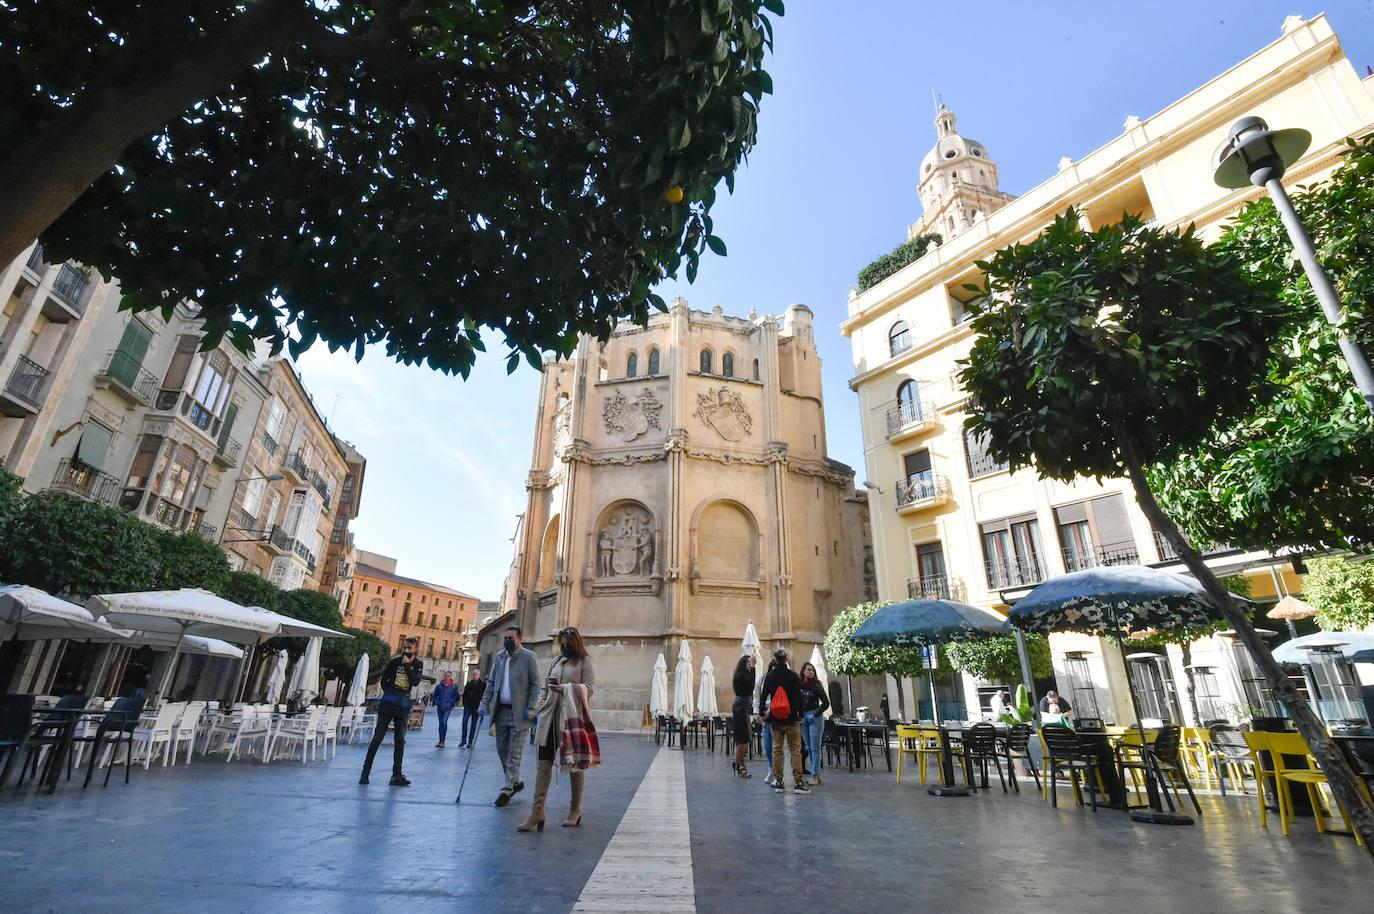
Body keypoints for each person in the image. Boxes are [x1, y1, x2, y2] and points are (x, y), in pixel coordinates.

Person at [519, 626, 597, 831]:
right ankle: (537, 811)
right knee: (543, 765)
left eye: (567, 644)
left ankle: (575, 809)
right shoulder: (556, 661)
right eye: (561, 644)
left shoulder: (585, 662)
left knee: (574, 765)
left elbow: (589, 689)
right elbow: (545, 687)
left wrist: (567, 689)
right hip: (549, 719)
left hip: (571, 720)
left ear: (575, 643)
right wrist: (540, 706)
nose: (563, 647)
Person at [479, 625, 540, 807]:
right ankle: (517, 781)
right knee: (502, 751)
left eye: (510, 638)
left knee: (515, 753)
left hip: (520, 713)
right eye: (505, 638)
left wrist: (532, 708)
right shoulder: (500, 657)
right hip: (501, 711)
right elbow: (491, 683)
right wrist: (483, 704)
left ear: (519, 639)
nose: (507, 641)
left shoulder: (529, 657)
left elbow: (535, 684)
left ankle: (507, 789)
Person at [360, 637, 423, 786]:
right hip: (389, 702)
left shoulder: (417, 664)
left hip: (403, 704)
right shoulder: (394, 662)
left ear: (415, 649)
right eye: (404, 647)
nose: (406, 650)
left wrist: (407, 666)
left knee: (400, 740)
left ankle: (396, 775)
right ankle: (365, 773)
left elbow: (415, 681)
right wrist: (389, 691)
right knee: (377, 738)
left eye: (409, 648)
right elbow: (384, 679)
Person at [755, 648, 810, 794]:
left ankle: (779, 781)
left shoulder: (770, 676)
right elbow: (798, 697)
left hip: (775, 719)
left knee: (777, 750)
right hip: (791, 718)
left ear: (775, 659)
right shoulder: (793, 676)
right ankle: (798, 783)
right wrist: (800, 714)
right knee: (795, 750)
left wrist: (761, 713)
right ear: (786, 660)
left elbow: (763, 695)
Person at [797, 661, 829, 786]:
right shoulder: (799, 684)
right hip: (803, 717)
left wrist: (814, 714)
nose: (811, 672)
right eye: (808, 670)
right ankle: (815, 775)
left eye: (813, 670)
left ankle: (815, 774)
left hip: (815, 717)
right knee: (808, 747)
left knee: (815, 747)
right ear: (803, 671)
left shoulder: (817, 685)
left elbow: (826, 703)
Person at [730, 654, 756, 778]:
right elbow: (751, 686)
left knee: (744, 738)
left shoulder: (740, 675)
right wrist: (753, 669)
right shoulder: (742, 677)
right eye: (748, 663)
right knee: (743, 738)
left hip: (741, 706)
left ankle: (738, 762)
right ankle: (741, 765)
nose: (750, 665)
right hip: (741, 707)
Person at [756, 657, 778, 784]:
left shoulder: (782, 680)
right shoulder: (762, 679)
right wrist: (757, 713)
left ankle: (778, 772)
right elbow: (757, 696)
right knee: (767, 744)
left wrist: (770, 711)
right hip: (764, 714)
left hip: (777, 714)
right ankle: (771, 768)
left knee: (778, 745)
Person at [431, 670, 459, 748]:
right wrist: (437, 702)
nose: (447, 678)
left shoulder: (453, 687)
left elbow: (456, 696)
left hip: (448, 707)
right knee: (441, 724)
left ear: (451, 677)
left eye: (448, 676)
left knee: (444, 722)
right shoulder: (439, 686)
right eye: (446, 676)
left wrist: (451, 702)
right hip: (440, 707)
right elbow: (435, 696)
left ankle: (443, 741)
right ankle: (440, 740)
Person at [459, 669, 484, 748]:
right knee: (465, 721)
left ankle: (470, 741)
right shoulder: (469, 683)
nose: (474, 676)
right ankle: (463, 740)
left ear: (479, 675)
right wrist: (464, 703)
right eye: (474, 674)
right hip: (468, 705)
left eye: (476, 674)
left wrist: (482, 707)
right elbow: (465, 694)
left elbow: (484, 696)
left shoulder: (482, 684)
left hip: (476, 707)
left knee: (473, 724)